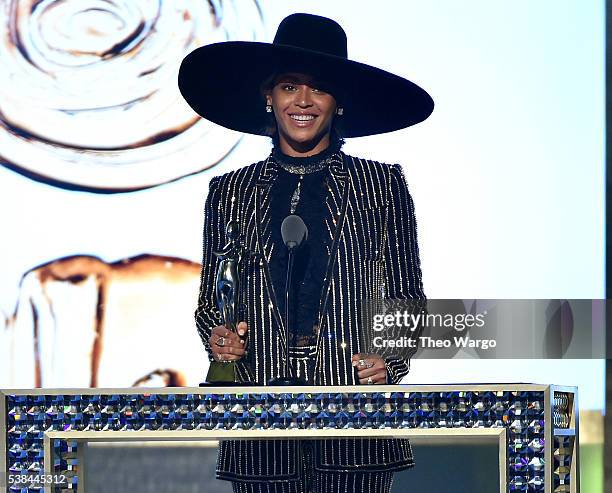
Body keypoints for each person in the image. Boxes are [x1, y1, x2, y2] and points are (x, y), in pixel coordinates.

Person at [179, 12, 433, 493]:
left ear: (338, 103)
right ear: (268, 98)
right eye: (289, 86)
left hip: (356, 426)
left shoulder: (381, 185)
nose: (303, 101)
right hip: (260, 427)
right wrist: (218, 337)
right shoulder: (230, 191)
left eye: (318, 87)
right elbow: (214, 297)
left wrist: (390, 361)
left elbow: (405, 296)